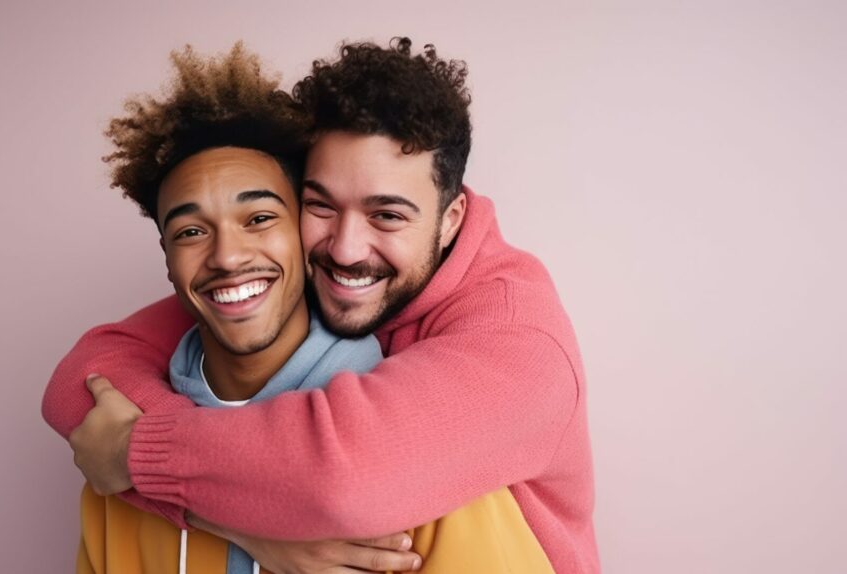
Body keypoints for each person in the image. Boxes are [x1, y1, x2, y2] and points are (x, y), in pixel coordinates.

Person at [45, 37, 598, 573]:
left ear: (450, 219)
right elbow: (89, 372)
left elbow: (346, 479)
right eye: (320, 206)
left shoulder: (519, 339)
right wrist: (234, 523)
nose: (345, 248)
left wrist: (133, 455)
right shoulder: (305, 274)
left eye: (387, 215)